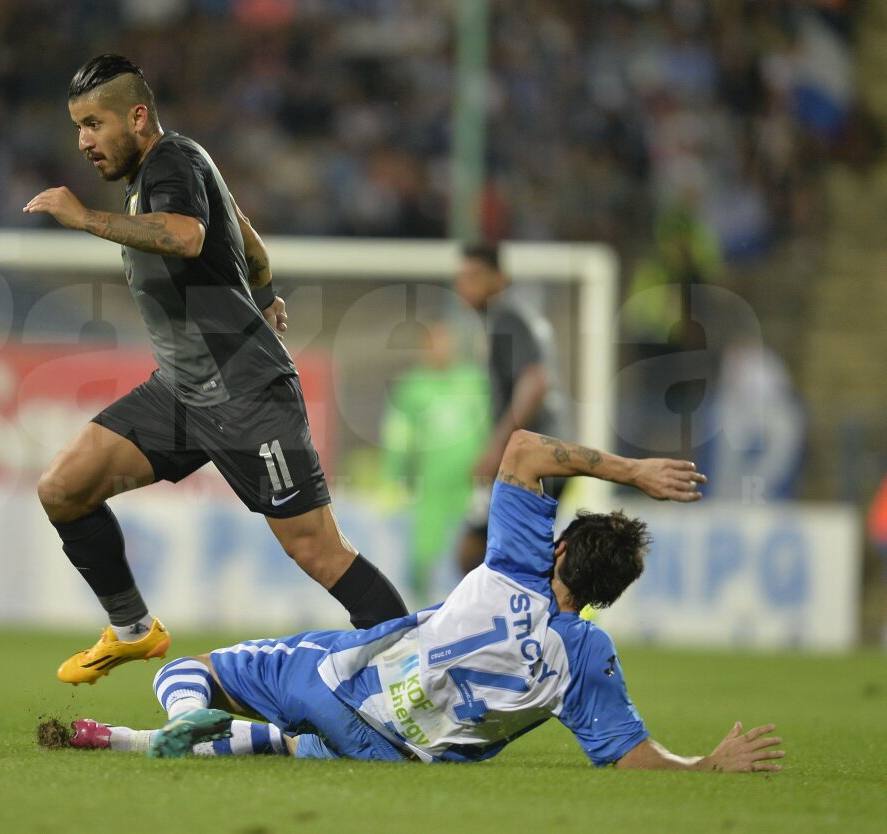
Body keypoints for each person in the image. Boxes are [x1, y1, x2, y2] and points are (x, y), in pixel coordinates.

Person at [65, 430, 786, 773]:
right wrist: (707, 765)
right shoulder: (584, 659)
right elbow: (630, 756)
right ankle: (119, 741)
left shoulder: (516, 565)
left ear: (560, 549)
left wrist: (633, 471)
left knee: (192, 671)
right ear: (612, 594)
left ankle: (182, 717)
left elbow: (525, 449)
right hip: (391, 754)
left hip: (345, 683)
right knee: (291, 748)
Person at [21, 54, 407, 685]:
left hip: (245, 392)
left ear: (137, 117)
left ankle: (418, 674)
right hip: (181, 392)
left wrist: (84, 218)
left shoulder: (170, 161)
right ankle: (133, 630)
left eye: (94, 124)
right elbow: (246, 237)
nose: (84, 141)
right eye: (78, 128)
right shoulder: (168, 169)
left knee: (317, 549)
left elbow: (188, 236)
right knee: (64, 488)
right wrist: (265, 294)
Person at [453, 244, 570, 576]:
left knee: (477, 554)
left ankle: (550, 604)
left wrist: (496, 450)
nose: (465, 284)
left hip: (534, 456)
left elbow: (536, 381)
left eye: (475, 275)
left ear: (499, 279)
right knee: (505, 558)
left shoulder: (508, 316)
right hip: (545, 454)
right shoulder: (514, 316)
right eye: (462, 276)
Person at [379, 321, 490, 602]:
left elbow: (489, 425)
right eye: (434, 344)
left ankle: (477, 604)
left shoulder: (472, 380)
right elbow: (399, 434)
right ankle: (420, 606)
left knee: (477, 544)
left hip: (471, 481)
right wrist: (394, 474)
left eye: (445, 342)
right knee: (424, 547)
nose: (440, 349)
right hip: (432, 482)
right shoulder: (411, 386)